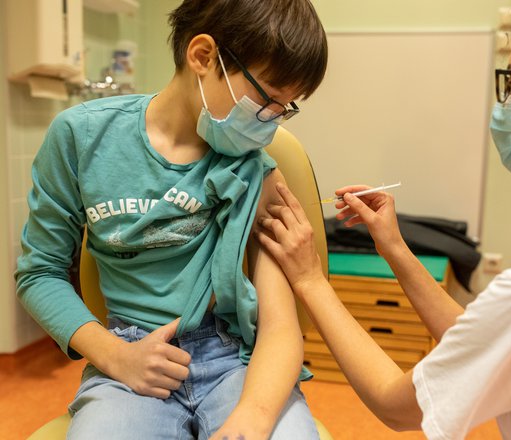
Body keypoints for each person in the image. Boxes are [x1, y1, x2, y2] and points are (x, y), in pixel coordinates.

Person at [255, 0, 511, 438]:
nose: (508, 106)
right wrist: (394, 247)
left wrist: (312, 280)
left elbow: (398, 405)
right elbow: (485, 341)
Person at [15, 1, 327, 439]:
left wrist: (252, 419)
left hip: (233, 361)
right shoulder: (81, 138)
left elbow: (279, 324)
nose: (271, 121)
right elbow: (40, 272)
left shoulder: (254, 170)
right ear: (202, 56)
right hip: (128, 358)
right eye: (267, 98)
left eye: (285, 107)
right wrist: (115, 356)